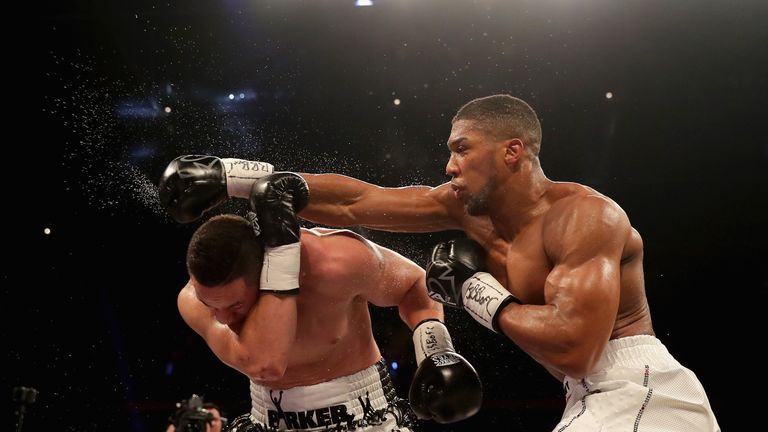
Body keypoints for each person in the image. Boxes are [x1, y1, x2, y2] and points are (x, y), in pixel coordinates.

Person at [161, 94, 720, 431]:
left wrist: (476, 291)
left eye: (461, 148)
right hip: (588, 395)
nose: (448, 164)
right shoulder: (466, 212)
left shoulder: (585, 218)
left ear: (512, 151)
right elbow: (360, 202)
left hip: (640, 387)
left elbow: (579, 347)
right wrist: (234, 178)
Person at [158, 169, 482, 431]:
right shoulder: (193, 301)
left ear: (263, 271)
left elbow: (415, 285)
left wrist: (436, 348)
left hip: (365, 418)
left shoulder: (334, 263)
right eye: (213, 305)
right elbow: (265, 363)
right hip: (266, 420)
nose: (224, 318)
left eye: (236, 305)